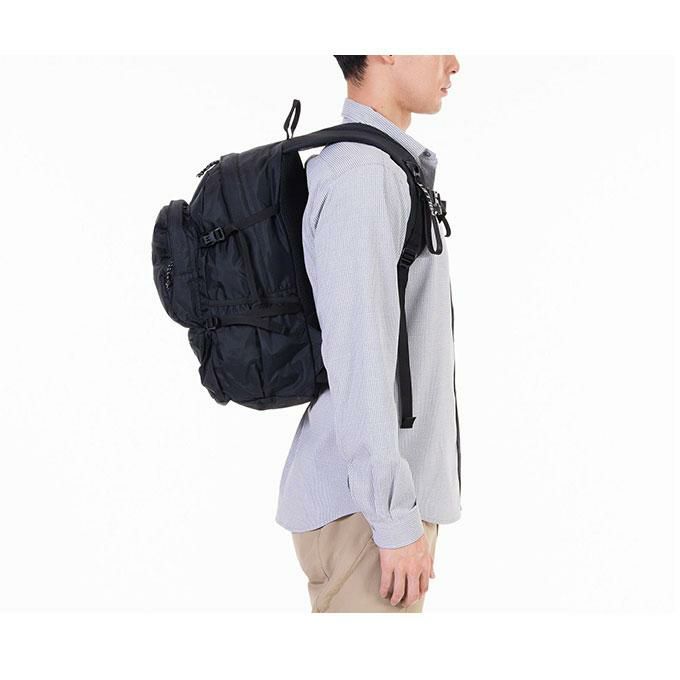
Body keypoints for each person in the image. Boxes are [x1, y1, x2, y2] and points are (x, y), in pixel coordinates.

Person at [275, 55, 462, 613]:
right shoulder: (364, 175)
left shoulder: (381, 166)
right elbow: (360, 354)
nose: (453, 62)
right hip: (368, 516)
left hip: (373, 510)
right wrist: (393, 517)